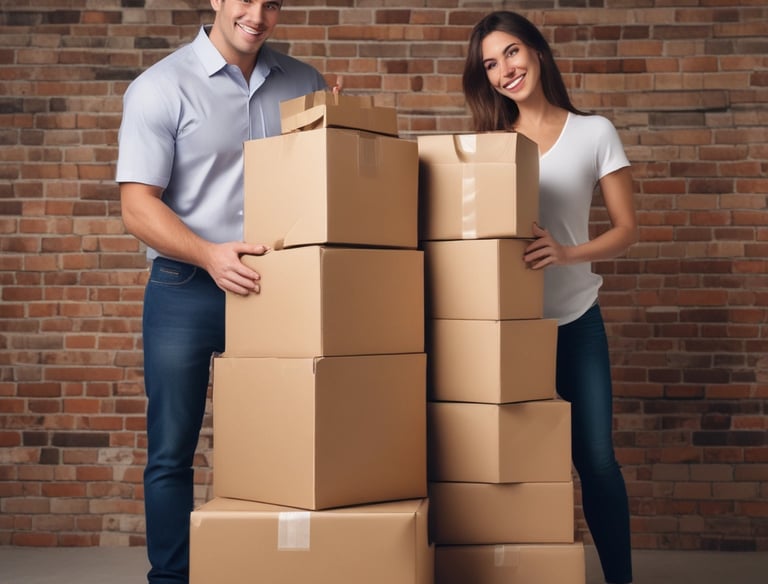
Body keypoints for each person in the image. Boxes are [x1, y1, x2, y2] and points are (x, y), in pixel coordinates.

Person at [115, 1, 330, 582]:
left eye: (271, 3)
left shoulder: (306, 83)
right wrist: (209, 255)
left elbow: (321, 184)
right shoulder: (160, 87)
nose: (256, 14)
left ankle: (274, 569)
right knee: (171, 452)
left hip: (277, 289)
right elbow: (137, 206)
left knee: (289, 443)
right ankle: (172, 578)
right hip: (186, 286)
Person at [462, 11, 638, 584]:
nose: (504, 70)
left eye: (512, 53)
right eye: (490, 63)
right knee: (508, 466)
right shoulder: (488, 145)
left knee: (596, 460)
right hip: (508, 329)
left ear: (536, 51)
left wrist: (564, 253)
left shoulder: (594, 132)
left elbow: (626, 229)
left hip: (575, 320)